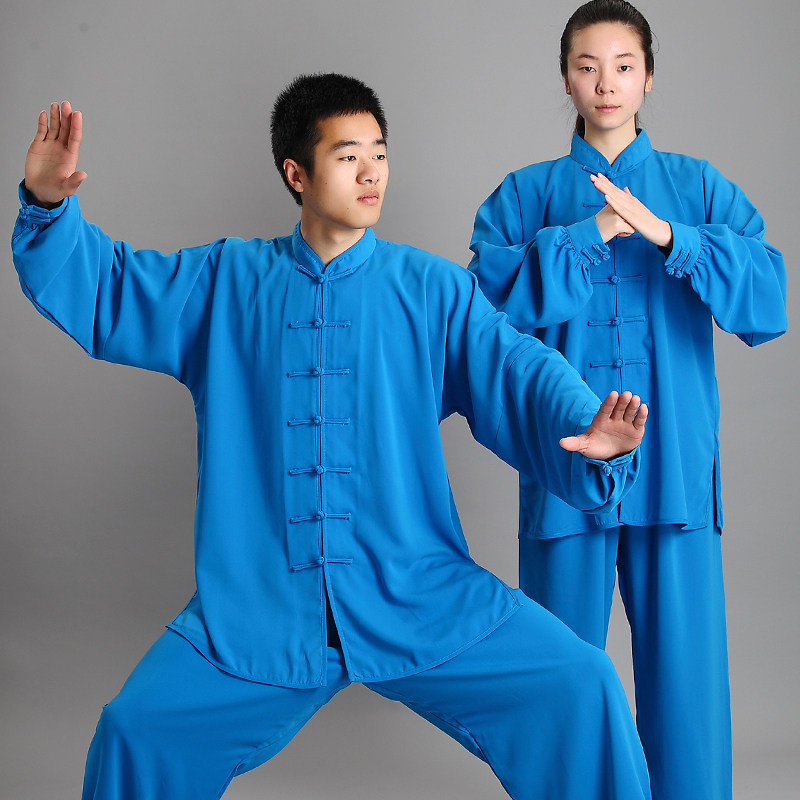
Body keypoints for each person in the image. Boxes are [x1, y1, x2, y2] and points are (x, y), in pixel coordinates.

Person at [13, 74, 652, 800]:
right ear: (297, 173)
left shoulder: (430, 290)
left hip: (415, 590)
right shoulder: (224, 281)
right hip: (259, 607)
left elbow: (517, 367)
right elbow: (111, 287)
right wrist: (47, 206)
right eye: (349, 157)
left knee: (581, 684)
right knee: (135, 731)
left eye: (379, 153)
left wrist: (586, 424)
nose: (372, 172)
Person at [467, 2, 787, 799]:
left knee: (686, 687)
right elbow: (479, 318)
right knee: (559, 676)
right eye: (587, 66)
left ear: (649, 77)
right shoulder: (525, 196)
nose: (605, 83)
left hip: (674, 468)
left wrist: (676, 237)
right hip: (565, 463)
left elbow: (768, 296)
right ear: (565, 79)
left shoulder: (696, 187)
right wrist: (594, 231)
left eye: (623, 65)